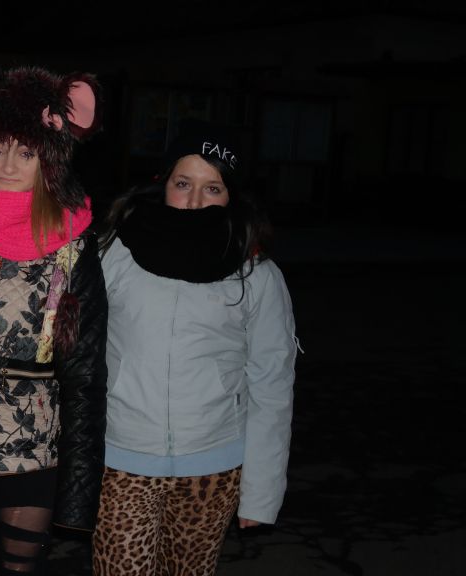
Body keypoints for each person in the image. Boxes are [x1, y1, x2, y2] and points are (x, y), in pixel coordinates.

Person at [91, 120, 298, 576]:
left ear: (232, 196)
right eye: (183, 184)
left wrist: (261, 493)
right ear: (163, 183)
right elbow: (78, 356)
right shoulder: (113, 254)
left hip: (213, 465)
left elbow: (272, 385)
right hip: (123, 457)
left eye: (213, 188)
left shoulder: (255, 273)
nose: (194, 200)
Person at [0, 58, 109, 576]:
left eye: (26, 152)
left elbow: (86, 374)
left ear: (49, 159)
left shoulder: (73, 245)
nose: (8, 165)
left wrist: (79, 489)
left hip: (35, 451)